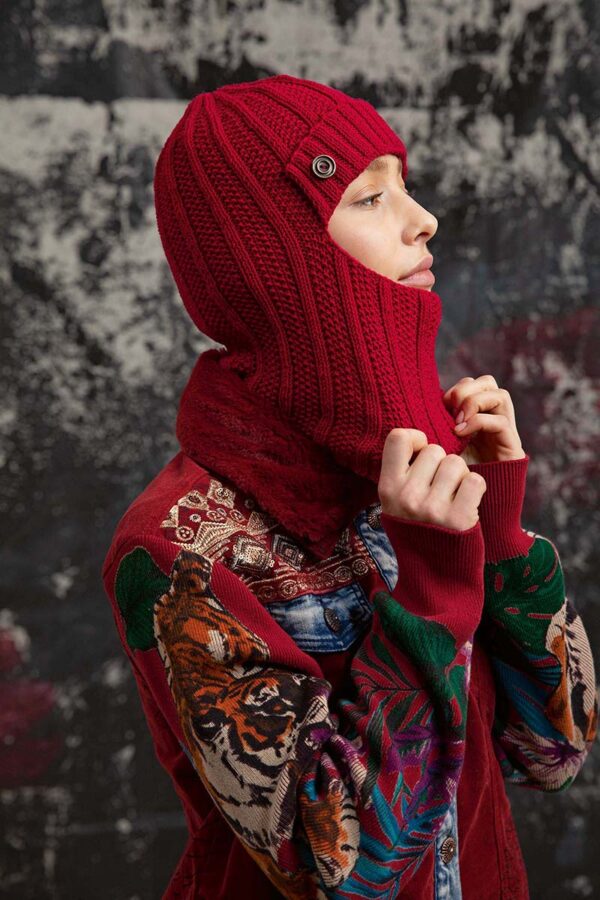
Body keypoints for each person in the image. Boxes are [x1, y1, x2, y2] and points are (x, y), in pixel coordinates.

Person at [101, 73, 598, 899]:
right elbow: (338, 868)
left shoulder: (419, 467)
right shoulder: (176, 549)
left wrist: (500, 531)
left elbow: (555, 752)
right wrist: (431, 583)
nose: (423, 219)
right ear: (278, 266)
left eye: (404, 185)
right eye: (369, 198)